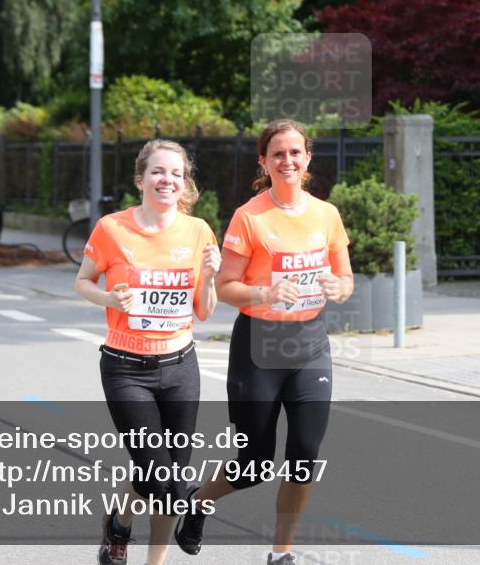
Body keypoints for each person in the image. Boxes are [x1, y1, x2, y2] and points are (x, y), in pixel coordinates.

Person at [174, 119, 353, 565]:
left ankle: (281, 553)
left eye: (295, 152)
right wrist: (265, 293)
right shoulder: (250, 216)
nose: (287, 161)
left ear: (308, 158)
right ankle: (198, 502)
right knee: (254, 462)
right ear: (264, 161)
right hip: (259, 345)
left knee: (305, 455)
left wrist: (339, 288)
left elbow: (346, 278)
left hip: (310, 343)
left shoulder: (326, 215)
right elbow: (227, 284)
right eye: (278, 154)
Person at [75, 139, 221, 565]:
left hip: (181, 367)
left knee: (168, 480)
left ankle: (148, 556)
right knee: (159, 476)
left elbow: (204, 311)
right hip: (126, 369)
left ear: (184, 182)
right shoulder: (111, 228)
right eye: (158, 172)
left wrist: (210, 277)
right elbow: (82, 281)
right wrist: (110, 300)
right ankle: (119, 523)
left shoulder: (198, 232)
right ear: (141, 179)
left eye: (176, 173)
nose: (167, 180)